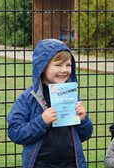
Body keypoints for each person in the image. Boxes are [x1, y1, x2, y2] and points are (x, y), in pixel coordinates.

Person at [7, 39, 94, 168]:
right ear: (42, 67)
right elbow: (15, 132)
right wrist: (42, 121)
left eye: (68, 65)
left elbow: (85, 134)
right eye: (58, 65)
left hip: (71, 163)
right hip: (40, 163)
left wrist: (83, 119)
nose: (64, 70)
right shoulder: (28, 98)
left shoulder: (71, 94)